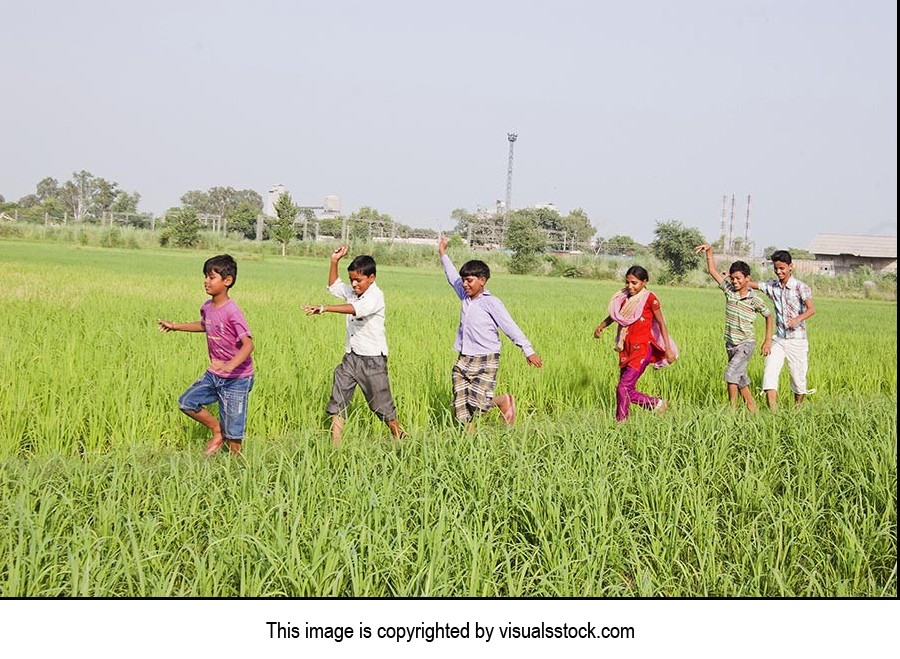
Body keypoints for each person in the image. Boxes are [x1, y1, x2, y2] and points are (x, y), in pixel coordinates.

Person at [302, 245, 405, 445]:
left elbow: (354, 309)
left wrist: (324, 308)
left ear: (372, 278)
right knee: (339, 394)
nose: (354, 284)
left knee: (380, 405)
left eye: (359, 280)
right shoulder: (353, 291)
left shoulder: (375, 296)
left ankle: (399, 434)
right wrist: (334, 261)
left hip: (373, 358)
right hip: (351, 355)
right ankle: (336, 444)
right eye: (352, 280)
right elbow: (334, 286)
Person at [438, 236, 542, 430]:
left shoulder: (491, 302)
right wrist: (443, 253)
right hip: (464, 356)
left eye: (469, 280)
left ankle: (503, 401)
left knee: (477, 403)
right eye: (464, 281)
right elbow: (452, 276)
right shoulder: (464, 295)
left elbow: (509, 326)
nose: (465, 284)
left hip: (486, 357)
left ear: (482, 280)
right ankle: (469, 441)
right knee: (461, 403)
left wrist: (528, 350)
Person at [158, 254, 254, 457]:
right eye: (205, 276)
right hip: (214, 374)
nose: (206, 281)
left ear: (227, 281)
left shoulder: (232, 312)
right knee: (187, 402)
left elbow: (248, 344)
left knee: (234, 433)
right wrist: (175, 326)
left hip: (237, 379)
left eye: (212, 277)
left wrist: (231, 365)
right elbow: (205, 325)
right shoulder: (207, 307)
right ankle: (217, 430)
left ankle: (237, 470)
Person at [695, 244, 773, 412]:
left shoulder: (754, 299)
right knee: (741, 378)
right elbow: (713, 271)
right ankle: (752, 409)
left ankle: (732, 410)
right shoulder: (729, 291)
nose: (735, 282)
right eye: (733, 279)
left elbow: (768, 315)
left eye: (739, 278)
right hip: (730, 343)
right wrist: (709, 252)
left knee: (731, 375)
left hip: (746, 344)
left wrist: (767, 341)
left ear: (747, 278)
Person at [594, 266, 677, 422]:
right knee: (625, 389)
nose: (630, 286)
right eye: (627, 282)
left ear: (644, 282)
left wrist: (668, 349)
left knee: (622, 387)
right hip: (626, 348)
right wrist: (602, 326)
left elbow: (661, 323)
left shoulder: (650, 298)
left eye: (634, 283)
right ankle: (654, 405)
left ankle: (622, 421)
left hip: (643, 349)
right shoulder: (623, 297)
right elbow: (616, 316)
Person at [749, 249, 816, 411]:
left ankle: (797, 409)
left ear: (790, 266)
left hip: (797, 340)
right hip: (779, 339)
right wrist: (730, 277)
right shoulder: (773, 286)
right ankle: (773, 411)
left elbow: (811, 309)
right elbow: (752, 284)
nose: (779, 272)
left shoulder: (800, 287)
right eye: (776, 268)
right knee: (770, 372)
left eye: (782, 268)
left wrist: (797, 319)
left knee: (798, 379)